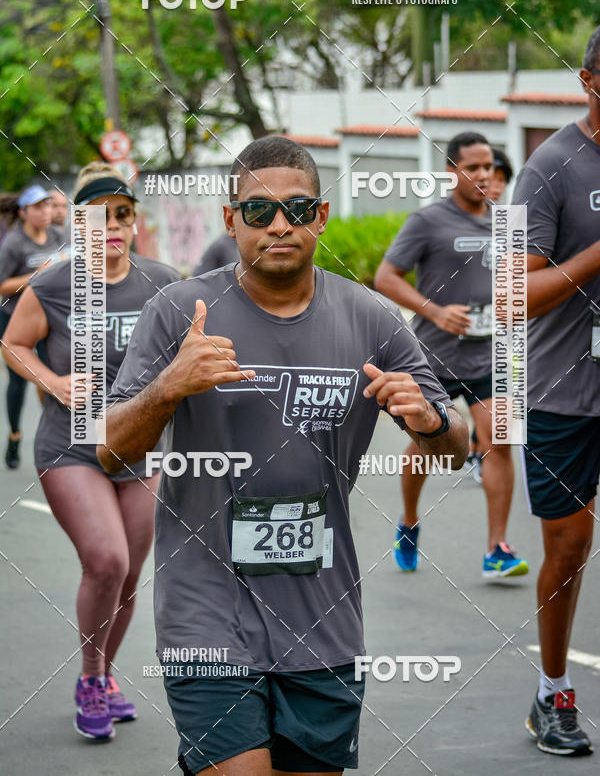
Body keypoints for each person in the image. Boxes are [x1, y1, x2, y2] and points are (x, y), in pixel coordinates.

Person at [97, 135, 469, 776]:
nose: (278, 226)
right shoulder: (180, 312)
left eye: (297, 210)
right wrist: (168, 387)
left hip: (322, 619)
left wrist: (433, 420)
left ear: (321, 217)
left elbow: (457, 448)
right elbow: (109, 451)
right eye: (258, 211)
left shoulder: (371, 319)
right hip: (205, 614)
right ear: (230, 220)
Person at [2, 163, 179, 741]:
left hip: (141, 448)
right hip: (72, 447)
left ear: (134, 223)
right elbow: (14, 343)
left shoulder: (161, 282)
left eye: (122, 215)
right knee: (106, 561)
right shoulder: (54, 284)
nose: (112, 227)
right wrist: (52, 383)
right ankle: (89, 677)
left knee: (127, 579)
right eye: (99, 217)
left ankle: (105, 675)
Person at [374, 132, 528, 578]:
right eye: (473, 168)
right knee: (427, 447)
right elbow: (386, 277)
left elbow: (519, 284)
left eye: (490, 168)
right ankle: (408, 522)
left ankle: (496, 549)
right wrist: (436, 312)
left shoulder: (509, 221)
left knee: (499, 443)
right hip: (433, 360)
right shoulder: (427, 221)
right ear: (452, 171)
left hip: (490, 357)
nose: (483, 176)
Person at [511, 26, 600, 757]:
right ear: (589, 80)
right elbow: (515, 294)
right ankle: (552, 693)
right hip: (565, 391)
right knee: (569, 549)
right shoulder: (548, 168)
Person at [0, 185, 66, 468]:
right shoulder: (14, 244)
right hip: (15, 317)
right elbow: (2, 286)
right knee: (19, 381)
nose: (46, 212)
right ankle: (15, 434)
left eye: (48, 206)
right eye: (38, 207)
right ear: (23, 213)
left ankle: (53, 431)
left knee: (51, 372)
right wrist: (37, 276)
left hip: (49, 317)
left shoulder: (58, 236)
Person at [466, 146, 515, 478]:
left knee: (499, 417)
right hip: (453, 337)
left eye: (501, 180)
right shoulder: (458, 219)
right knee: (425, 434)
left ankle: (479, 451)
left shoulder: (512, 221)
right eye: (489, 178)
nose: (494, 185)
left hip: (500, 333)